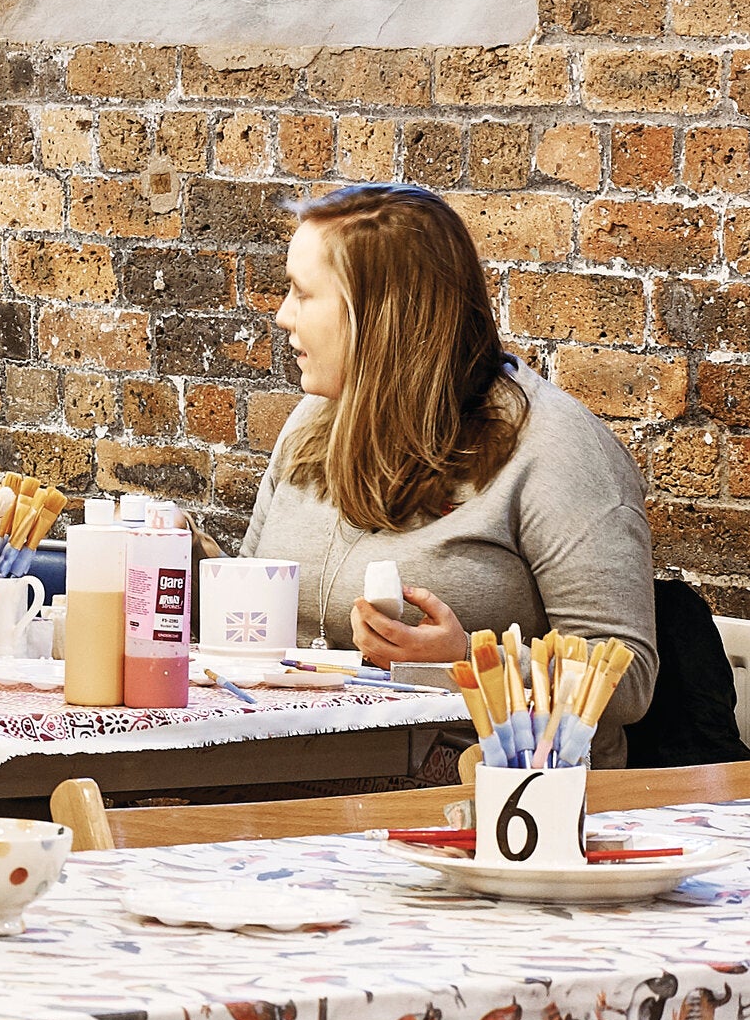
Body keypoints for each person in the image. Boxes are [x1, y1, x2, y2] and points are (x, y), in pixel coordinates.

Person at [242, 183, 656, 767]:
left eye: (303, 294)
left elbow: (629, 677)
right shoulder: (314, 420)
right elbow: (253, 612)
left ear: (380, 317)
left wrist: (465, 664)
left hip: (483, 796)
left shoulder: (557, 451)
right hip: (289, 774)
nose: (283, 314)